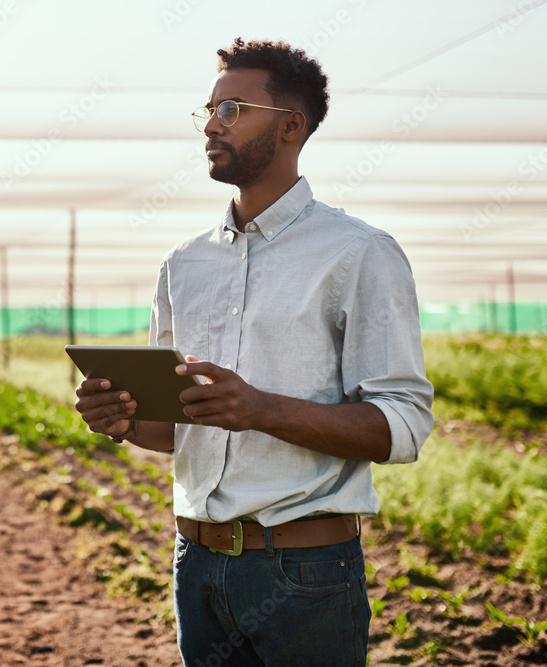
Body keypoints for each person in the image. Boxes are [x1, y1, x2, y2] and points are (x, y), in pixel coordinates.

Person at [74, 37, 433, 667]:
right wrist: (127, 419)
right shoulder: (183, 265)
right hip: (197, 566)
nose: (212, 125)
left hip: (305, 575)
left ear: (292, 125)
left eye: (233, 109)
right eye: (209, 110)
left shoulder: (357, 253)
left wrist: (260, 408)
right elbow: (180, 428)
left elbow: (401, 427)